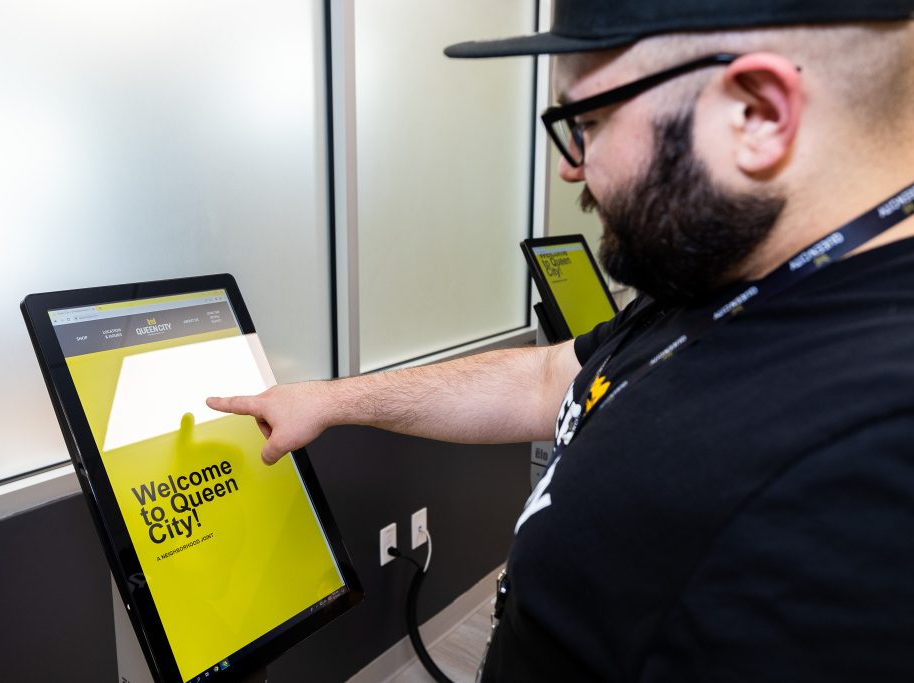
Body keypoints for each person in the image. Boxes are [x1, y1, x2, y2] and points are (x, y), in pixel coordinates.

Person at [209, 1, 914, 679]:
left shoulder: (872, 462)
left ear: (757, 112)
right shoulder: (722, 279)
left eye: (591, 121)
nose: (570, 167)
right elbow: (551, 379)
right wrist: (332, 399)